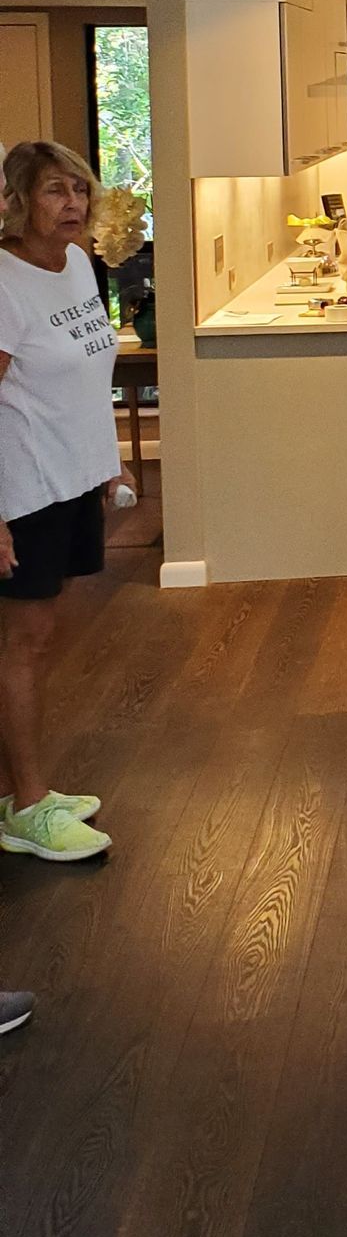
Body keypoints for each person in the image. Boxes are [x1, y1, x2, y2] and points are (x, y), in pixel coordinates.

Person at [0, 140, 124, 863]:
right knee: (23, 644)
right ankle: (29, 809)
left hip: (72, 475)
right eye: (54, 191)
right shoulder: (6, 280)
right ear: (18, 200)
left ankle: (24, 791)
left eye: (79, 190)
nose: (73, 205)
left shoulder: (75, 263)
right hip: (25, 487)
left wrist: (102, 460)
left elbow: (85, 368)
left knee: (42, 642)